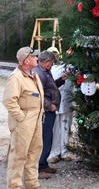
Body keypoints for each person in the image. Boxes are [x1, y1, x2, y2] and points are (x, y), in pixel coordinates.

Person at [3, 46, 45, 189]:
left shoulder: (34, 74)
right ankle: (14, 186)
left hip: (36, 120)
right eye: (34, 57)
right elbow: (9, 100)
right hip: (24, 122)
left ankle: (32, 184)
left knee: (34, 153)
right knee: (19, 155)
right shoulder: (16, 78)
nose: (37, 58)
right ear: (26, 61)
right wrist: (21, 118)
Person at [33, 50, 68, 179]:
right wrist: (49, 105)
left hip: (51, 111)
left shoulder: (46, 72)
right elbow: (38, 94)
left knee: (48, 137)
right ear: (46, 62)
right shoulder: (39, 74)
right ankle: (38, 169)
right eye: (52, 63)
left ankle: (43, 163)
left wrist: (61, 80)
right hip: (46, 112)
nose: (52, 65)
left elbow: (51, 88)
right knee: (44, 138)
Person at [46, 47, 73, 163]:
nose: (54, 57)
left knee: (66, 128)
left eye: (55, 54)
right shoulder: (46, 70)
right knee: (54, 129)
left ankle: (65, 152)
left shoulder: (68, 67)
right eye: (51, 54)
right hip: (53, 104)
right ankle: (54, 153)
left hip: (67, 102)